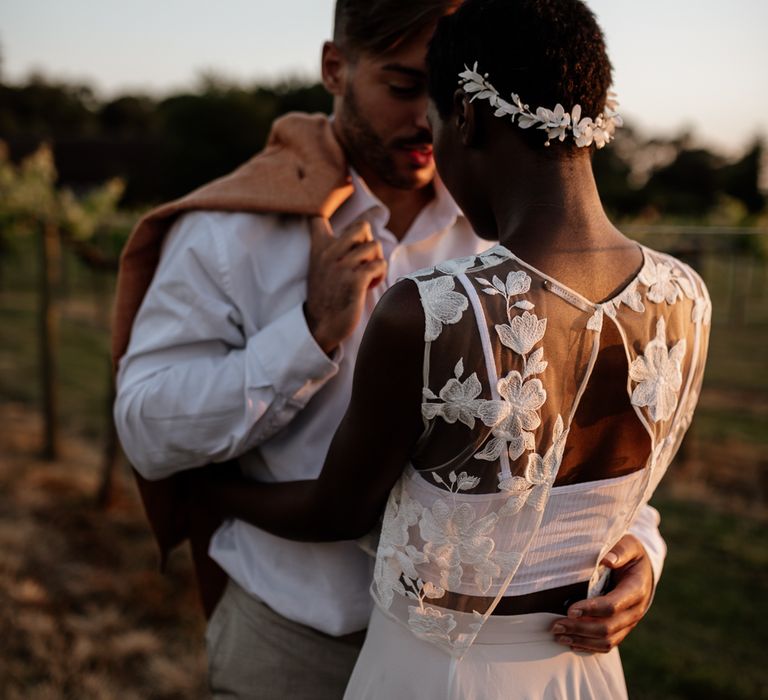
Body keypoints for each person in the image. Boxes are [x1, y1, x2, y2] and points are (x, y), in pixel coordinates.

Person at [113, 1, 671, 697]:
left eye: (446, 93)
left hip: (478, 664)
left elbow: (575, 433)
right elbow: (145, 431)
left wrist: (638, 549)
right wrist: (309, 331)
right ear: (334, 69)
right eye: (405, 87)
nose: (426, 118)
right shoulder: (230, 233)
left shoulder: (517, 226)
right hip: (296, 642)